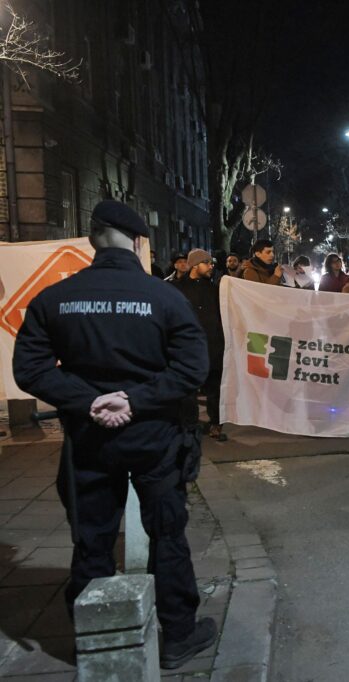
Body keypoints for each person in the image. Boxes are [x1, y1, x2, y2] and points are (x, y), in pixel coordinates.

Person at [12, 200, 217, 670]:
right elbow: (192, 367)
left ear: (91, 239)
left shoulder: (54, 299)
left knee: (93, 541)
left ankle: (98, 643)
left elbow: (31, 368)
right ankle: (180, 636)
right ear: (139, 242)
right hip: (155, 437)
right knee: (167, 535)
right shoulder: (165, 298)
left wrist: (87, 400)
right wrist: (135, 401)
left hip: (88, 439)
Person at [173, 249, 227, 442]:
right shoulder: (178, 288)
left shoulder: (214, 289)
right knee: (188, 388)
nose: (211, 266)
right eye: (207, 263)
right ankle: (189, 423)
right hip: (189, 346)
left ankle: (216, 423)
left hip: (213, 344)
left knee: (215, 386)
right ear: (195, 265)